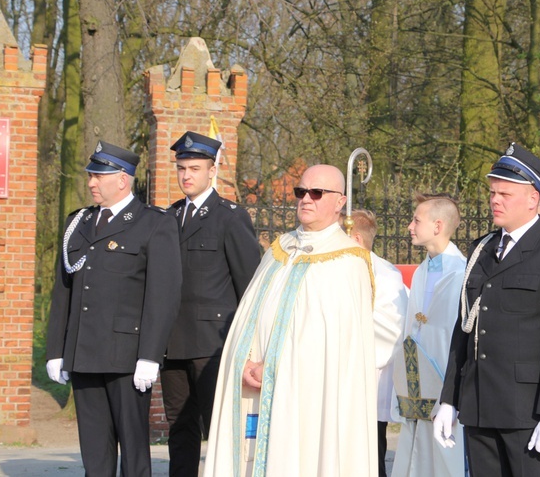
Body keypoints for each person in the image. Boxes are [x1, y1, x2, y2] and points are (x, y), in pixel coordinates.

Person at [203, 164, 377, 476]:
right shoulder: (278, 251)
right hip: (255, 386)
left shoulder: (348, 262)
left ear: (340, 202)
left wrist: (275, 368)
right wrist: (243, 360)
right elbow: (248, 317)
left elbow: (338, 351)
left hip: (308, 400)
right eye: (301, 192)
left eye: (317, 193)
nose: (306, 199)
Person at [436, 142, 540, 476]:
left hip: (529, 411)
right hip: (480, 405)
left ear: (533, 198)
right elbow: (464, 326)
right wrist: (450, 398)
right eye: (493, 192)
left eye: (505, 194)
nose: (495, 200)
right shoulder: (483, 247)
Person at [46, 141, 182, 476]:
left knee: (134, 451)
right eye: (90, 176)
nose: (91, 182)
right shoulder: (78, 222)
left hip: (126, 355)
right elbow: (63, 290)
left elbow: (162, 295)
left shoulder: (153, 223)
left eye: (98, 176)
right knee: (94, 450)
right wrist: (55, 350)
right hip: (84, 352)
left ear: (122, 179)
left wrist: (150, 355)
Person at [162, 132, 261, 476]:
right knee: (178, 426)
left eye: (194, 168)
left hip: (212, 344)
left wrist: (249, 344)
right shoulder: (168, 218)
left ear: (211, 171)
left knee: (216, 427)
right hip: (172, 340)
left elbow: (250, 285)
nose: (186, 175)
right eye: (181, 168)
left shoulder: (230, 217)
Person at [391, 192, 468, 477]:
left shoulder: (462, 273)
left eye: (416, 220)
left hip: (444, 383)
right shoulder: (423, 269)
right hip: (417, 382)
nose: (410, 226)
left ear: (437, 226)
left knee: (445, 460)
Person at [347, 209, 409, 477]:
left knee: (370, 452)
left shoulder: (383, 274)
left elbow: (393, 328)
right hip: (343, 373)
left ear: (357, 239)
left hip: (368, 375)